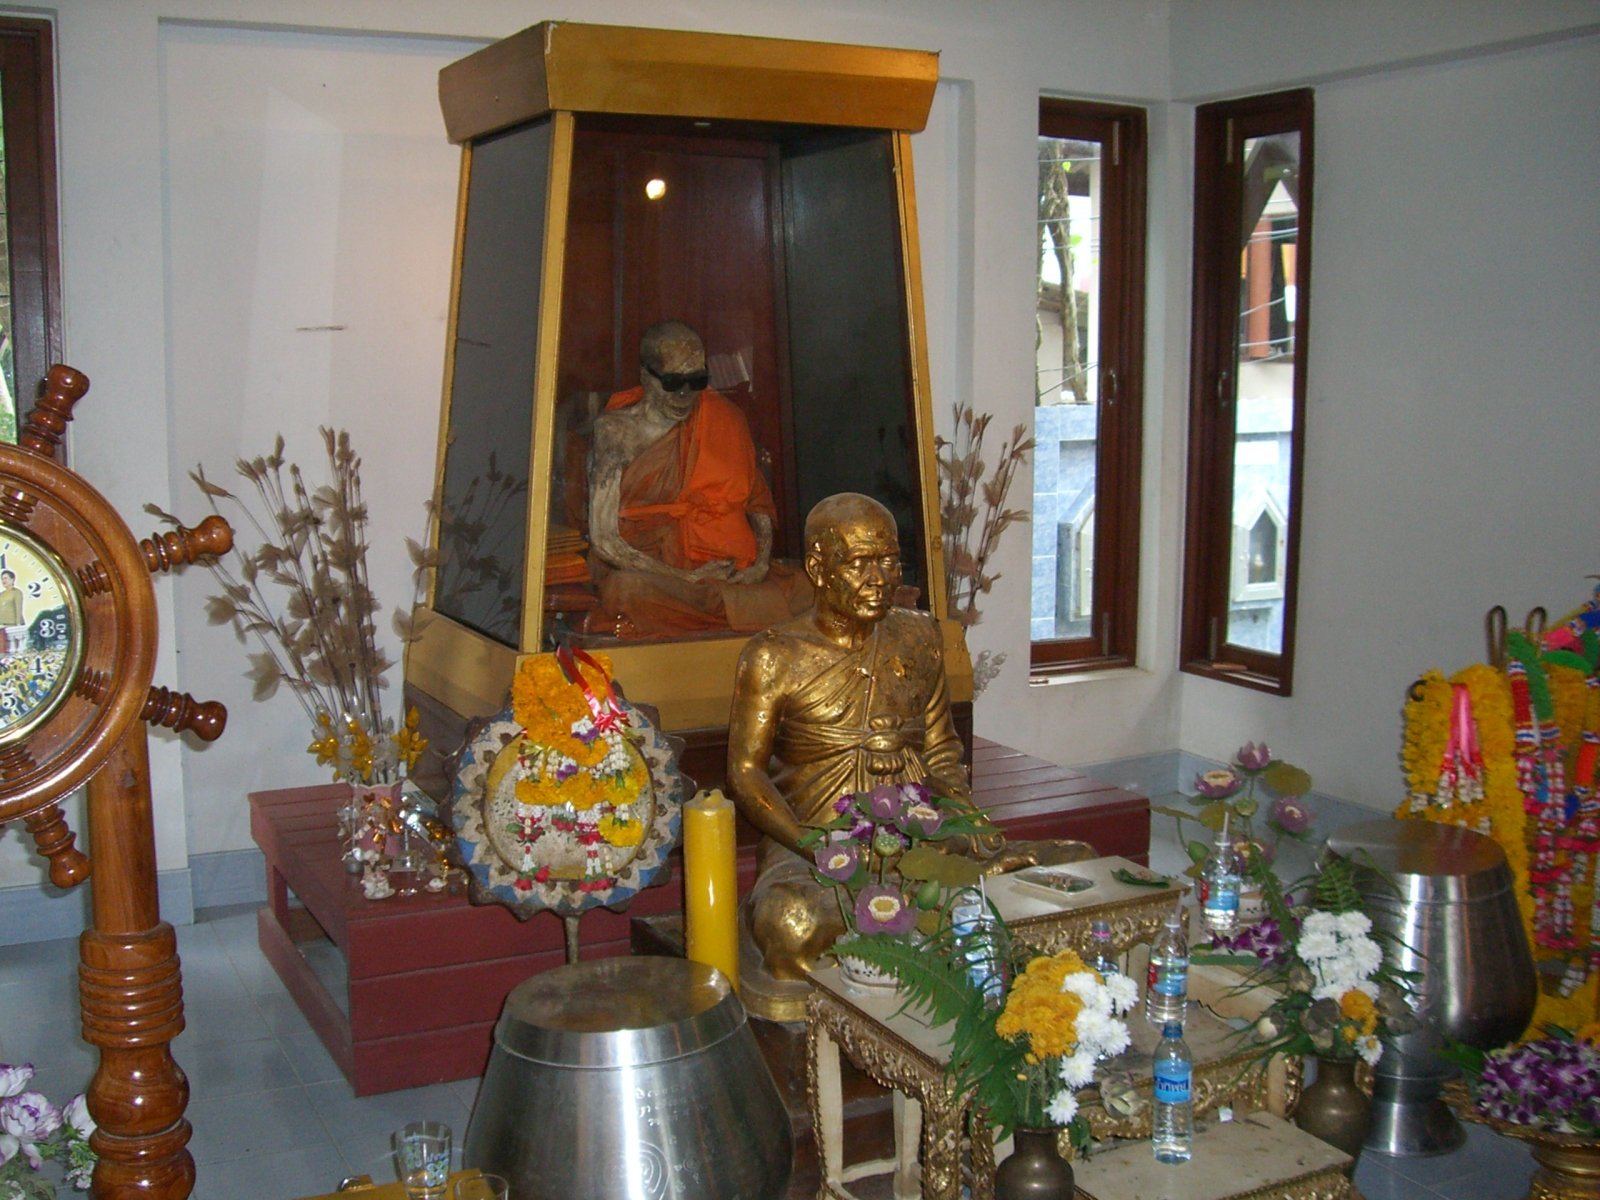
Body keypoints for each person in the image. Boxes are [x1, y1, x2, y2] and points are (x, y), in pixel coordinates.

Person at [725, 493, 1093, 992]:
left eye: (890, 561)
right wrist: (816, 847)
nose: (880, 579)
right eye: (860, 563)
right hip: (817, 846)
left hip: (921, 834)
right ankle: (946, 916)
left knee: (1076, 861)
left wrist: (973, 829)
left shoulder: (918, 637)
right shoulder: (774, 656)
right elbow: (746, 773)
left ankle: (938, 909)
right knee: (792, 923)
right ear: (818, 568)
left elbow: (940, 751)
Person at [587, 321, 810, 637]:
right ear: (645, 376)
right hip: (656, 572)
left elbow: (757, 499)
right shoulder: (616, 433)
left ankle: (727, 604)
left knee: (806, 588)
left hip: (731, 569)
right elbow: (604, 539)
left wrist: (760, 564)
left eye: (697, 380)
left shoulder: (725, 418)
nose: (684, 394)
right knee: (625, 590)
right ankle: (733, 608)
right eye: (673, 381)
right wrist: (684, 578)